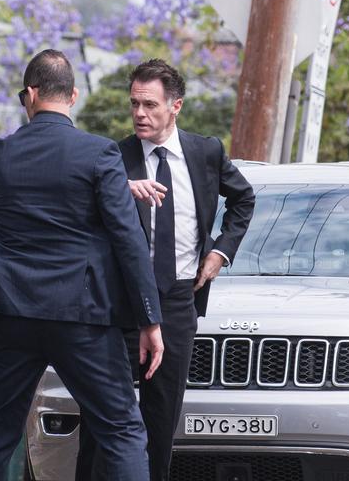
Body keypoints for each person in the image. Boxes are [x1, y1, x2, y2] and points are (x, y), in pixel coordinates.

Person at [0, 49, 164, 481]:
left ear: (29, 94)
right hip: (82, 316)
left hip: (12, 313)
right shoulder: (99, 154)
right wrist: (149, 320)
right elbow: (128, 239)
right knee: (122, 428)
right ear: (72, 96)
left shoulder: (0, 153)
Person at [77, 59, 256, 481]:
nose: (140, 113)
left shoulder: (205, 151)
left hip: (177, 299)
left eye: (150, 105)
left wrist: (220, 253)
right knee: (102, 420)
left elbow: (243, 199)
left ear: (175, 106)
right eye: (134, 104)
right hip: (120, 306)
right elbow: (80, 203)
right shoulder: (112, 157)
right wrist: (120, 186)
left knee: (161, 420)